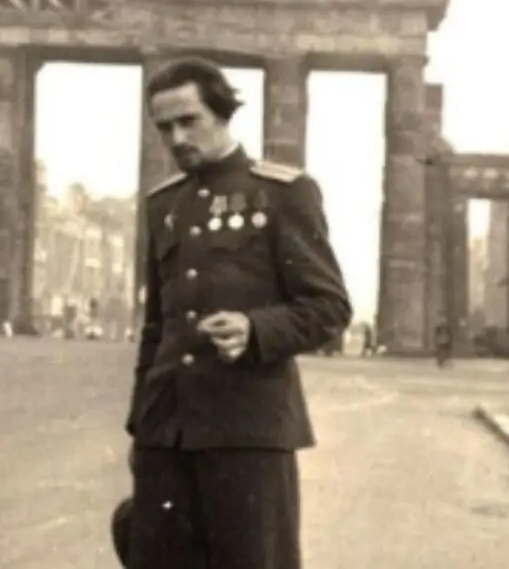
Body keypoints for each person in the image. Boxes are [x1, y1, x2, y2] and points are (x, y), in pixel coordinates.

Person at [123, 57, 352, 568]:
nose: (177, 137)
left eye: (189, 121)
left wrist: (256, 329)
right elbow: (156, 328)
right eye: (164, 127)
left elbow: (330, 306)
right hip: (168, 433)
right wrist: (142, 427)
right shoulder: (164, 205)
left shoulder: (281, 193)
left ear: (223, 113)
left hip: (248, 431)